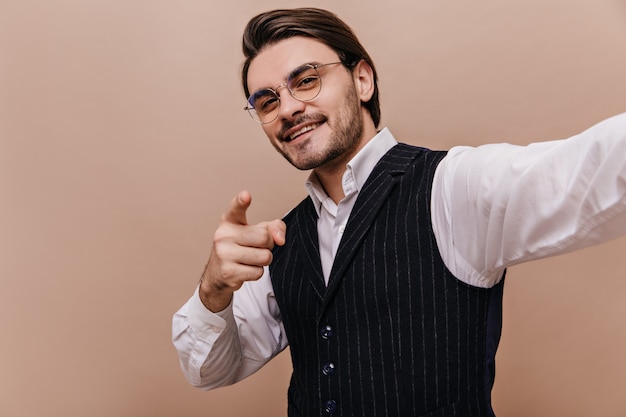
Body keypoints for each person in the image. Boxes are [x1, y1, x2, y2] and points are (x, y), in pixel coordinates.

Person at [172, 7, 626, 417]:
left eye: (306, 79)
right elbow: (208, 371)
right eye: (267, 101)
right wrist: (212, 289)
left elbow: (585, 172)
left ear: (362, 79)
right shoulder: (280, 240)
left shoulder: (449, 188)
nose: (288, 108)